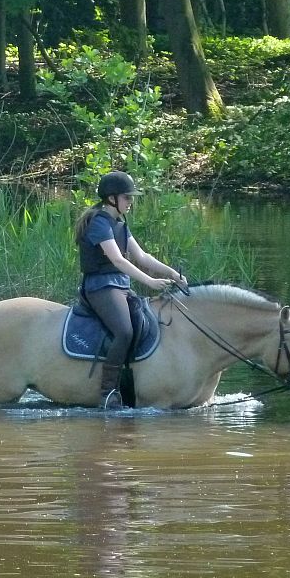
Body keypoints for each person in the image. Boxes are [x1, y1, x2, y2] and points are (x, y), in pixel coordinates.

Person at [73, 171, 188, 409]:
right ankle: (107, 393)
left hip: (120, 287)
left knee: (146, 323)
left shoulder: (120, 224)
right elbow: (118, 260)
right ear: (112, 198)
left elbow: (142, 256)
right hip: (100, 287)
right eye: (127, 197)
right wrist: (150, 282)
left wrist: (173, 274)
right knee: (124, 331)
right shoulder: (99, 223)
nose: (131, 201)